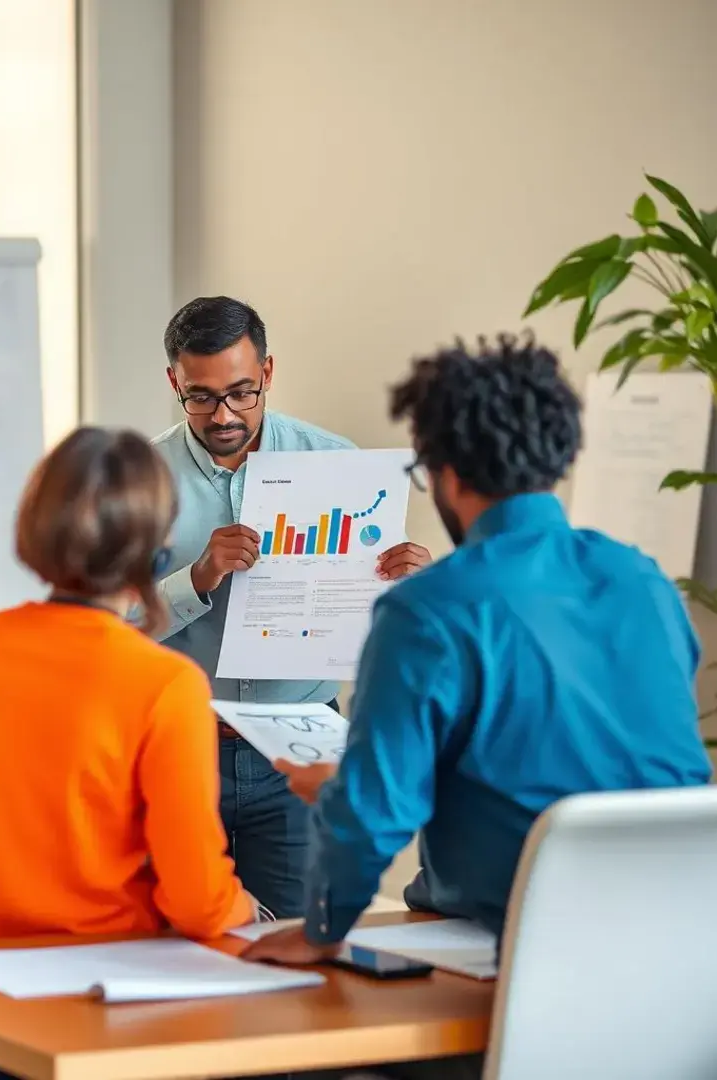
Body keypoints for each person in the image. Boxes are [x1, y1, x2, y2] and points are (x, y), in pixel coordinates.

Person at [245, 335, 713, 1079]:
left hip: (512, 982)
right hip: (682, 988)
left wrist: (324, 928)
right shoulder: (645, 583)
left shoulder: (430, 610)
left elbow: (374, 816)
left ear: (446, 472)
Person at [0, 425, 252, 948]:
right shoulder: (165, 684)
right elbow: (200, 902)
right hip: (84, 984)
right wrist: (253, 910)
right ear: (158, 553)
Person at [152, 296, 431, 918]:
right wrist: (193, 579)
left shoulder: (338, 463)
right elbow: (110, 625)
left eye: (242, 393)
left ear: (268, 374)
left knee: (303, 950)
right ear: (175, 381)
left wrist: (408, 585)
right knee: (177, 947)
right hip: (181, 750)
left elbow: (372, 617)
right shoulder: (141, 479)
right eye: (200, 396)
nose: (224, 414)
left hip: (299, 749)